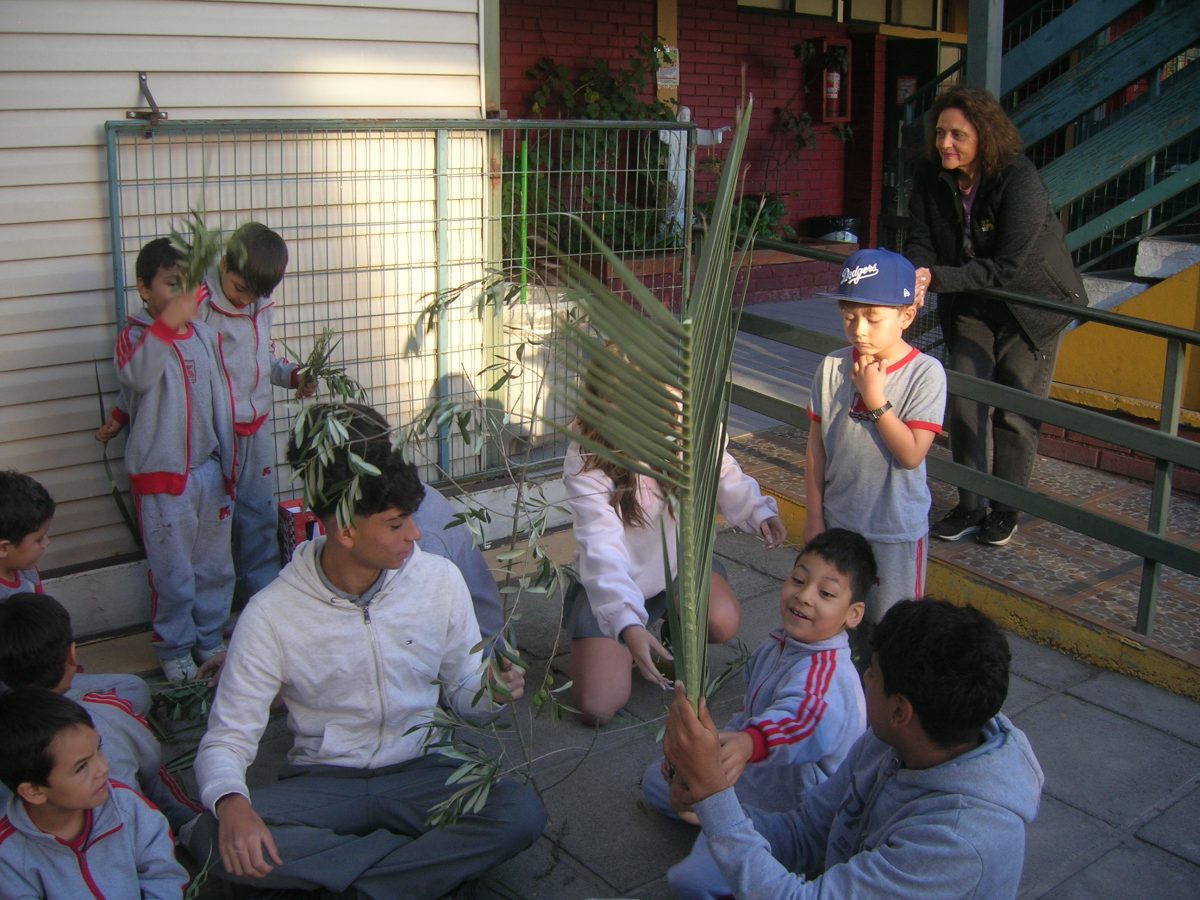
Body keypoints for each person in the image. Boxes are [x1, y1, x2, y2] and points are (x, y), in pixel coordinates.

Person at [186, 404, 545, 898]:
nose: (416, 536)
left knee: (519, 812)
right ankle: (414, 874)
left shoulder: (437, 580)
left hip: (423, 770)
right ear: (346, 530)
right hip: (323, 779)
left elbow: (465, 697)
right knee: (211, 836)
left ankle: (353, 881)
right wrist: (230, 803)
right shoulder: (271, 614)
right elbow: (226, 739)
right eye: (397, 524)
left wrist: (493, 691)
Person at [662, 599, 1044, 899]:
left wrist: (715, 794)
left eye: (874, 672)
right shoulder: (892, 742)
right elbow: (806, 832)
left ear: (900, 710)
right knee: (699, 874)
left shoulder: (957, 841)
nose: (865, 677)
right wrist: (708, 801)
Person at [562, 347, 787, 726]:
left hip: (678, 568)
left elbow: (723, 471)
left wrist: (757, 511)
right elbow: (601, 548)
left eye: (676, 396)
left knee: (723, 620)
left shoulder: (687, 422)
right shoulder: (587, 454)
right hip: (615, 583)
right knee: (597, 706)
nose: (672, 413)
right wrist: (626, 623)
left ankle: (672, 629)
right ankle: (626, 629)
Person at [643, 529, 873, 895]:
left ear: (854, 614)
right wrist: (709, 752)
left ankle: (742, 848)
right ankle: (717, 821)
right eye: (799, 579)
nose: (804, 596)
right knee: (657, 782)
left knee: (689, 880)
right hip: (755, 778)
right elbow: (747, 714)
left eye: (826, 593)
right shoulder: (779, 644)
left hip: (794, 812)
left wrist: (746, 745)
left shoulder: (827, 677)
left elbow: (796, 722)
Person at [906, 86, 1087, 547]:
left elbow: (1007, 266)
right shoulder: (931, 176)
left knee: (1015, 413)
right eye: (941, 133)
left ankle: (1004, 511)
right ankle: (970, 505)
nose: (945, 143)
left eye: (958, 135)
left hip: (1029, 308)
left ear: (984, 136)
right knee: (965, 401)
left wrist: (937, 278)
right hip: (971, 303)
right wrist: (918, 273)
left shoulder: (1018, 178)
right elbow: (920, 237)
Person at [110, 237, 238, 684]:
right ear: (145, 290)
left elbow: (217, 396)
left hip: (208, 469)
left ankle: (210, 636)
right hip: (164, 479)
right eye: (170, 284)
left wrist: (228, 460)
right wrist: (166, 325)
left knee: (215, 567)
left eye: (188, 284)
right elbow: (138, 379)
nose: (182, 293)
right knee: (173, 571)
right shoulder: (135, 337)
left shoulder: (203, 333)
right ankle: (175, 645)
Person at [805, 248, 946, 624]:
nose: (860, 329)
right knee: (832, 626)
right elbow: (816, 446)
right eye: (850, 317)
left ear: (906, 316)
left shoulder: (925, 373)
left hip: (894, 532)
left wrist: (875, 398)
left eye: (873, 318)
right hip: (839, 522)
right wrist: (814, 515)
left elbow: (912, 454)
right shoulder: (833, 366)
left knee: (893, 630)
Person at [0, 592, 203, 836]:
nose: (100, 768)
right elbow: (150, 763)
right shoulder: (105, 716)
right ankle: (183, 821)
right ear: (72, 654)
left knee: (133, 688)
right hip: (126, 825)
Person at [196, 221, 315, 607]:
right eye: (239, 290)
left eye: (256, 295)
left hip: (255, 428)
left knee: (259, 519)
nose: (245, 300)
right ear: (226, 263)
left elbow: (265, 356)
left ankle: (259, 607)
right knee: (214, 529)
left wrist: (293, 376)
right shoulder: (200, 303)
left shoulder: (261, 303)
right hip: (212, 436)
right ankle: (212, 619)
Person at [0, 687, 189, 899]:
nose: (102, 769)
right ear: (34, 791)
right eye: (81, 767)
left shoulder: (128, 807)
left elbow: (164, 876)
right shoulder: (8, 856)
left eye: (99, 749)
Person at [0, 469, 151, 713]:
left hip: (52, 682)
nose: (46, 543)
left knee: (134, 689)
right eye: (39, 539)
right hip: (17, 701)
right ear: (4, 548)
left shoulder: (25, 571)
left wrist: (64, 667)